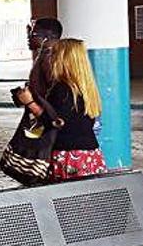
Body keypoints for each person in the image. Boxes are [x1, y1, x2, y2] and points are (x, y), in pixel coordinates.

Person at [14, 39, 107, 181]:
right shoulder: (87, 88)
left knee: (65, 201)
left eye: (54, 54)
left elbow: (55, 122)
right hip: (90, 155)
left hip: (67, 156)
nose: (51, 59)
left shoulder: (62, 88)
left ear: (63, 59)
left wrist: (30, 103)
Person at [27, 17, 63, 99]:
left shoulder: (50, 59)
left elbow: (56, 95)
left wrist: (31, 103)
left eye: (33, 34)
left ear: (47, 37)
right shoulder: (44, 55)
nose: (29, 38)